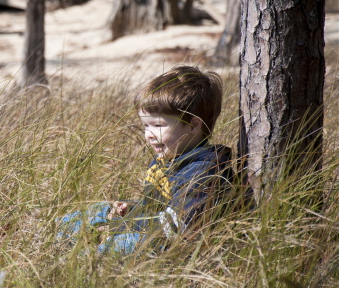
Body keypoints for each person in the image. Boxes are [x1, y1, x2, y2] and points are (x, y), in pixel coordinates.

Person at [57, 65, 239, 255]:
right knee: (89, 214)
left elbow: (178, 227)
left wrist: (129, 224)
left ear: (193, 125)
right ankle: (62, 242)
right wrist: (133, 209)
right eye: (145, 126)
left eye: (158, 125)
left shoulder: (203, 171)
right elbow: (153, 206)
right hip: (149, 227)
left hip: (170, 244)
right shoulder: (166, 158)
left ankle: (87, 261)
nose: (149, 135)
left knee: (116, 247)